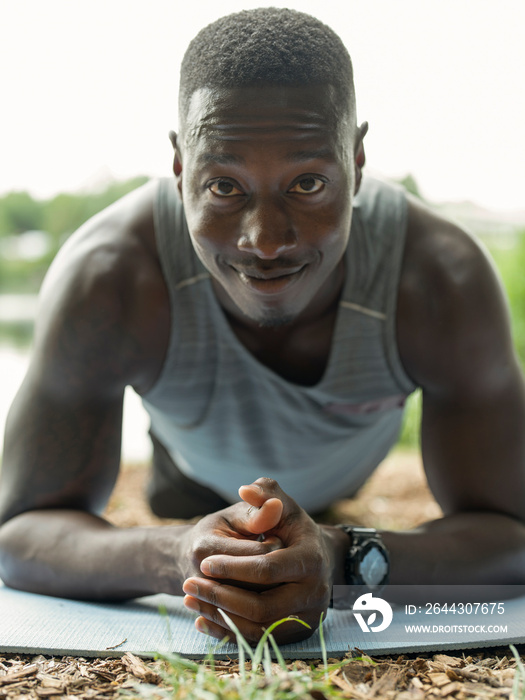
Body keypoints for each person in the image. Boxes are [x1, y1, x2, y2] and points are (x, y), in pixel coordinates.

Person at [1, 7, 525, 646]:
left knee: (314, 521)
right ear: (178, 167)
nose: (266, 241)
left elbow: (514, 534)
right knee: (177, 501)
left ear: (357, 162)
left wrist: (337, 558)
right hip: (189, 476)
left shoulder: (439, 279)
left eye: (307, 183)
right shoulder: (109, 277)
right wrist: (179, 555)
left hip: (343, 468)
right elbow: (18, 534)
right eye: (224, 186)